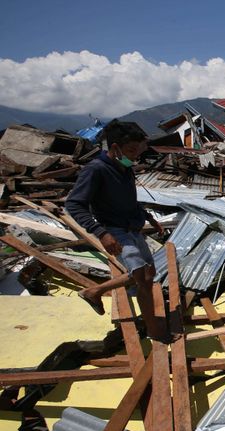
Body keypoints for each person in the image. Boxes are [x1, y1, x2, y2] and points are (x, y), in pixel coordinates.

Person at [65, 120, 167, 340]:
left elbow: (130, 201)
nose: (135, 156)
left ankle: (93, 292)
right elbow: (73, 204)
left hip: (133, 227)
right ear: (114, 148)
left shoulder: (125, 167)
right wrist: (101, 232)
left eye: (138, 151)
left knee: (148, 275)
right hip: (115, 229)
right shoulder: (96, 170)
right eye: (131, 151)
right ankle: (153, 330)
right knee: (140, 274)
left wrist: (149, 218)